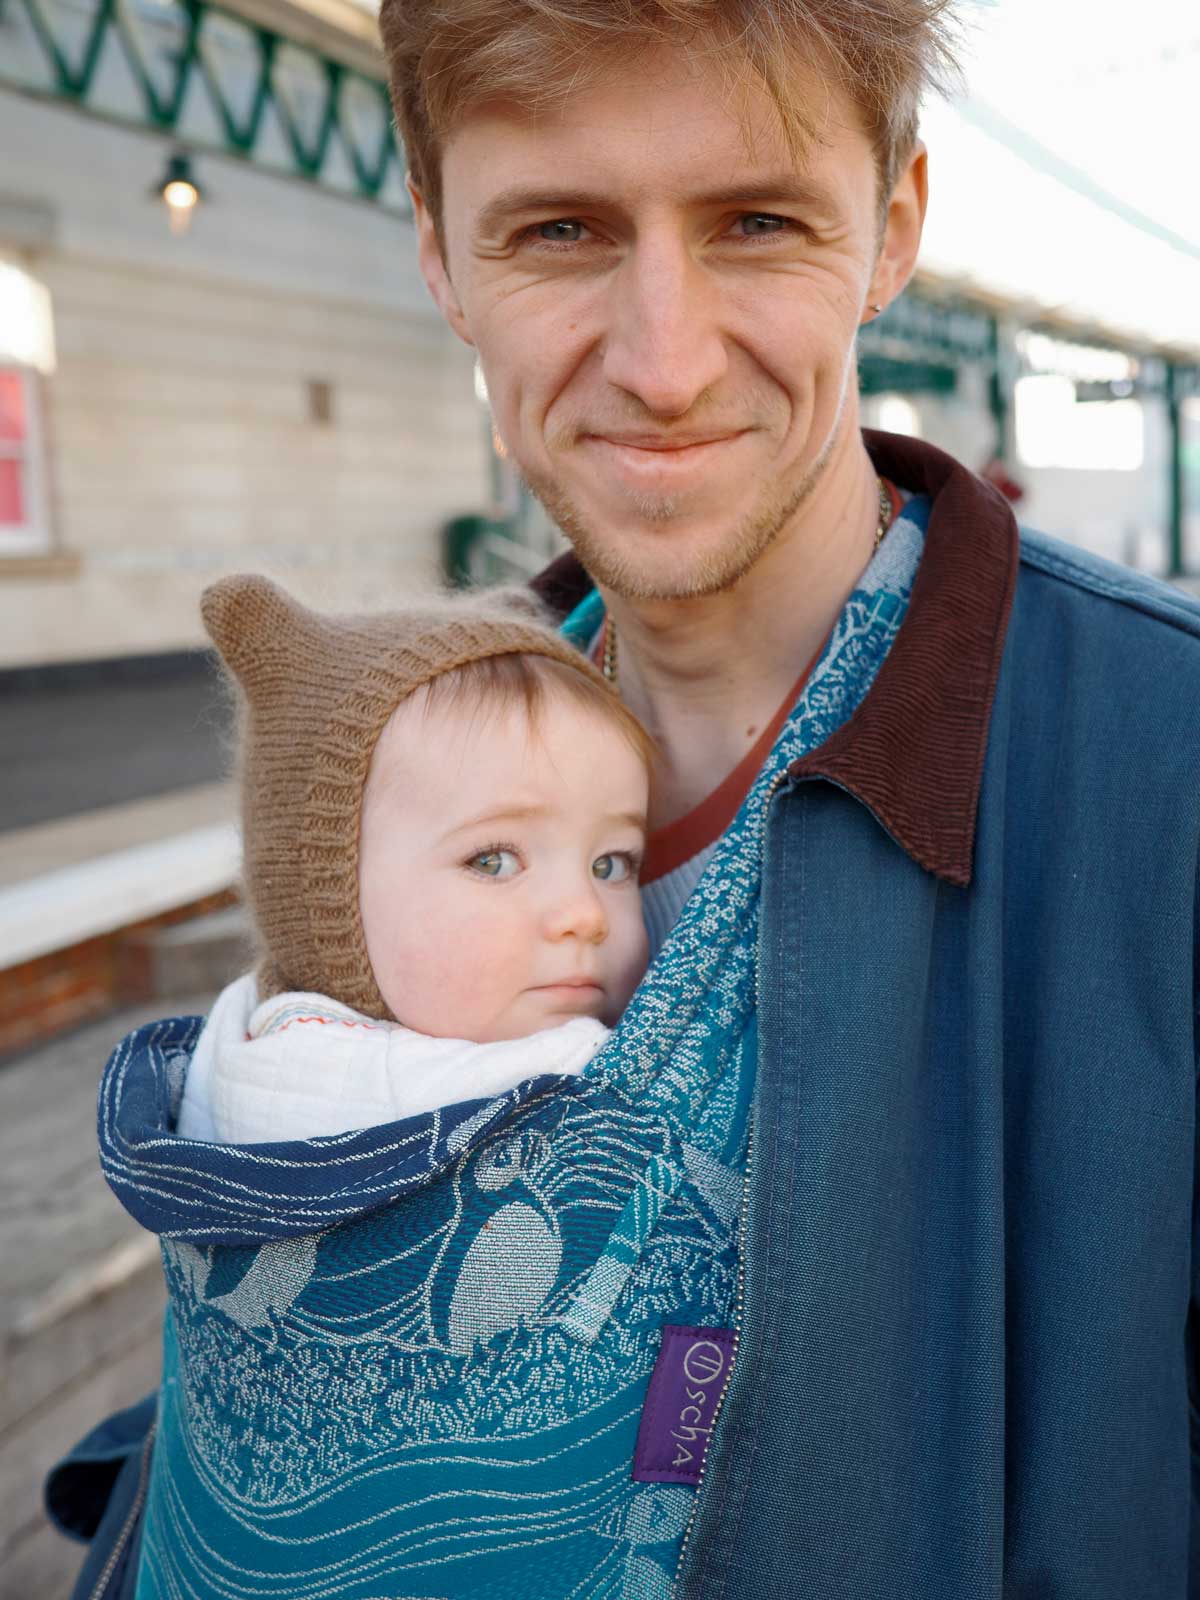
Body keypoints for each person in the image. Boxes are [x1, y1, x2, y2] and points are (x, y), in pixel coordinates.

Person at [50, 2, 1200, 1596]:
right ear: (442, 254)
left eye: (757, 223)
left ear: (896, 229)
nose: (664, 364)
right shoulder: (379, 775)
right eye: (561, 229)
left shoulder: (1169, 766)